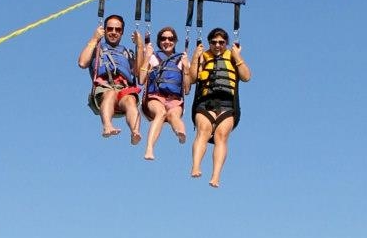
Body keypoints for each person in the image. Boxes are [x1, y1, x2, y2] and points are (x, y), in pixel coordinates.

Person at [190, 27, 250, 187]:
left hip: (227, 104)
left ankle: (216, 176)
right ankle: (196, 166)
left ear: (226, 43)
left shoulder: (232, 57)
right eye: (214, 42)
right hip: (205, 102)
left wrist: (238, 56)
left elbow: (246, 77)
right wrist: (195, 57)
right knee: (203, 131)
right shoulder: (203, 56)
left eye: (221, 42)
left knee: (221, 136)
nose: (217, 45)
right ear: (209, 43)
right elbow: (192, 79)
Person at [78, 14, 143, 142]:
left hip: (124, 89)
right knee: (110, 94)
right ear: (105, 30)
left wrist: (140, 47)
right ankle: (107, 126)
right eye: (110, 29)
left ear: (122, 32)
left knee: (130, 100)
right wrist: (94, 39)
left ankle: (135, 131)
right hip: (104, 87)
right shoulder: (97, 49)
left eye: (117, 30)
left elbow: (139, 75)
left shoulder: (127, 52)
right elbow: (82, 63)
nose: (114, 32)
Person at [140, 26, 189, 160]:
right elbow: (141, 79)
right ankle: (149, 148)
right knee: (161, 113)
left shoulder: (181, 60)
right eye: (163, 39)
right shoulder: (153, 58)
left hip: (174, 99)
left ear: (175, 41)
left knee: (174, 116)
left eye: (170, 39)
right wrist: (147, 57)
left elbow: (187, 89)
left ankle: (180, 133)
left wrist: (186, 67)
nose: (167, 41)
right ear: (159, 41)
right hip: (155, 97)